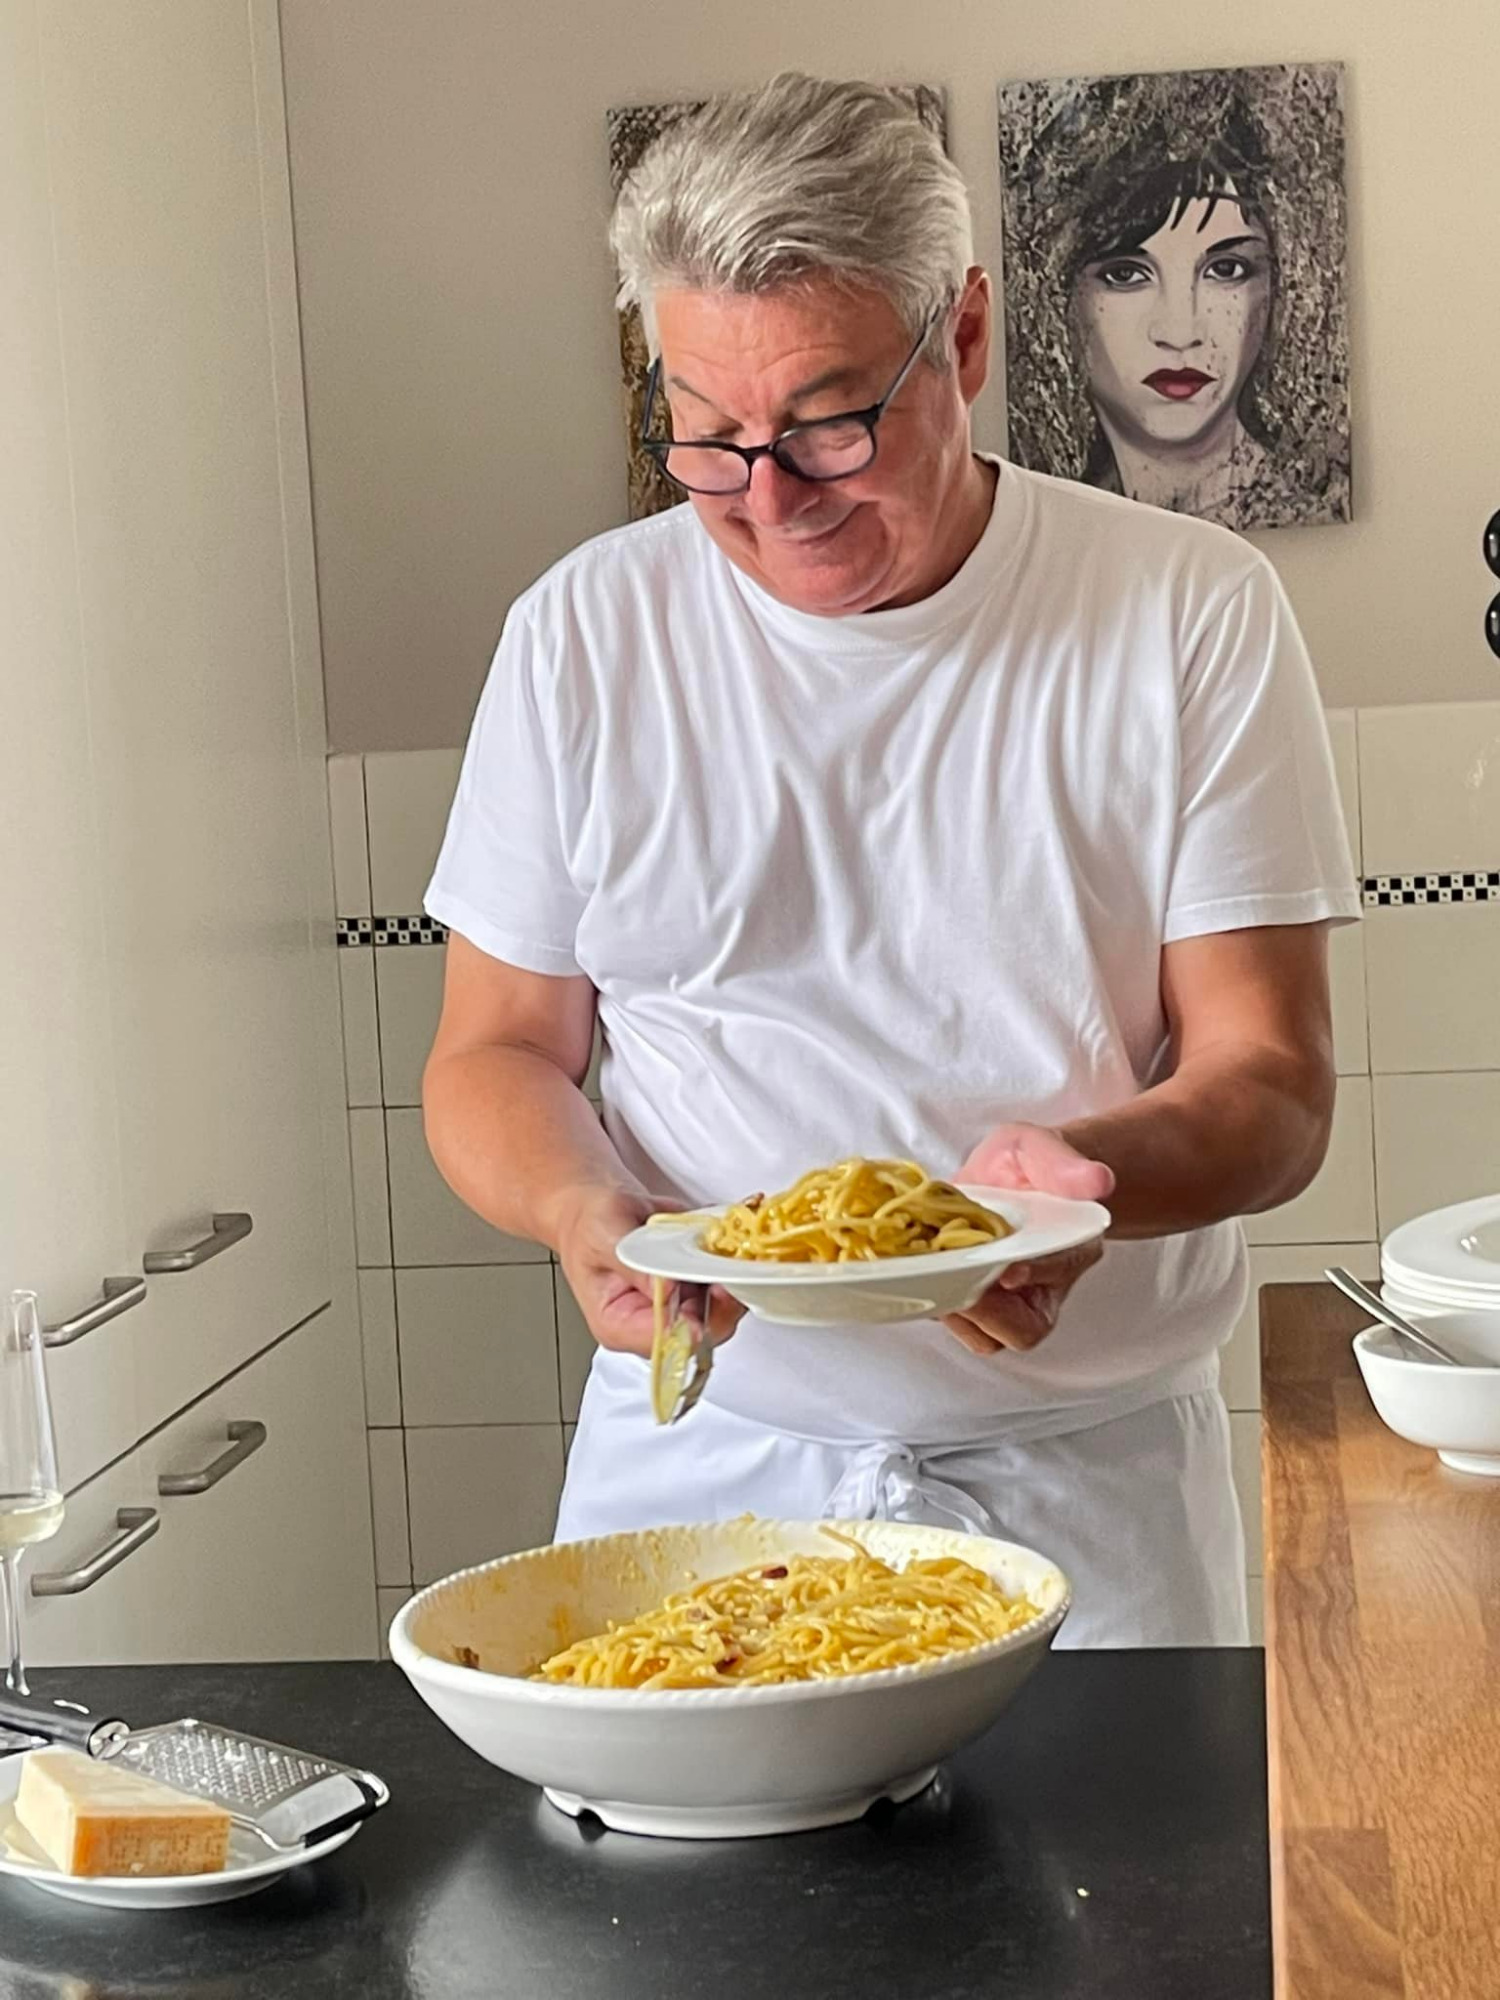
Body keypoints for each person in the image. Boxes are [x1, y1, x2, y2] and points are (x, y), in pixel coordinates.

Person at [422, 73, 1358, 1646]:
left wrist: (1087, 1188)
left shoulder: (1185, 610)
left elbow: (1272, 1082)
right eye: (707, 439)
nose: (770, 498)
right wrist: (583, 1207)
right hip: (701, 1455)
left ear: (965, 337)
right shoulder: (583, 634)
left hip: (1086, 1480)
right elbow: (494, 1052)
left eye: (828, 424)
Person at [1066, 104, 1280, 524]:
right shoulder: (1049, 535)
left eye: (1225, 270)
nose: (1180, 332)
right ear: (1065, 296)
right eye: (1126, 274)